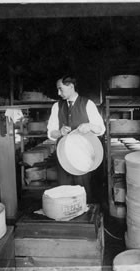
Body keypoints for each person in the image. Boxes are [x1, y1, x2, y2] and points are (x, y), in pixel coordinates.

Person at [47, 75, 105, 203]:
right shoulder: (57, 106)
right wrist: (59, 132)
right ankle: (68, 218)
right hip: (63, 157)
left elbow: (101, 129)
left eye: (60, 89)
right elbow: (50, 133)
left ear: (71, 86)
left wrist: (89, 126)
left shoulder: (87, 104)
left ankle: (85, 219)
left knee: (83, 190)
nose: (58, 93)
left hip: (83, 157)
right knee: (65, 191)